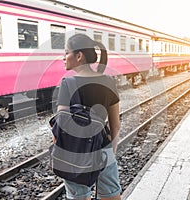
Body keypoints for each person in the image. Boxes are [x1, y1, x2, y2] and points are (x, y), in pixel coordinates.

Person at [55, 33, 122, 200]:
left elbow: (61, 126)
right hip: (102, 147)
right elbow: (115, 125)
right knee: (111, 195)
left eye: (66, 52)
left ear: (78, 56)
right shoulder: (108, 81)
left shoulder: (67, 83)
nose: (63, 58)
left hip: (74, 152)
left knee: (79, 197)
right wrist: (110, 153)